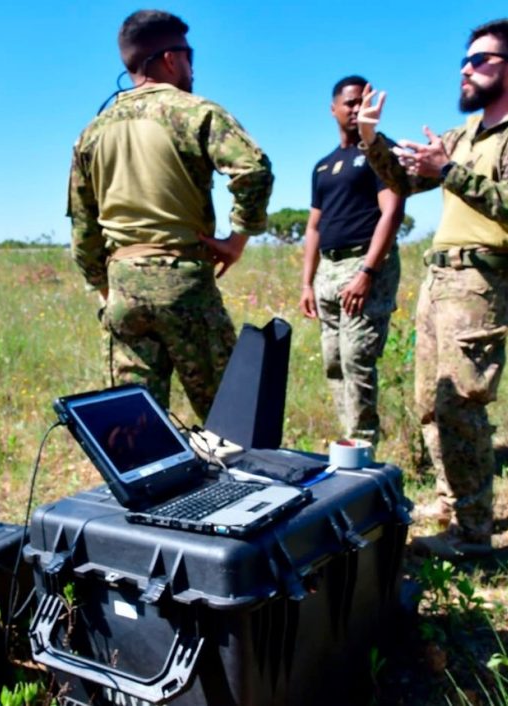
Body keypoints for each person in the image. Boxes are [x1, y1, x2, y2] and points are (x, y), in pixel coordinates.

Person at [357, 19, 508, 558]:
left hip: (479, 282)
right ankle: (450, 502)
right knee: (431, 401)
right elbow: (402, 182)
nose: (465, 70)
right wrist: (371, 140)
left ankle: (473, 533)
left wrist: (449, 171)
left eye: (479, 60)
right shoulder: (464, 135)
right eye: (464, 61)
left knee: (461, 405)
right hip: (440, 278)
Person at [67, 9, 273, 420]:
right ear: (169, 59)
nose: (192, 67)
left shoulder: (91, 133)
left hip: (123, 286)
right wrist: (237, 241)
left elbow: (83, 223)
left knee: (137, 425)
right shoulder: (193, 111)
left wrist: (104, 287)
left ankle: (149, 482)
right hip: (182, 280)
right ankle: (242, 485)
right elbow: (253, 169)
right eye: (189, 55)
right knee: (232, 419)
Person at [299, 75, 404, 446]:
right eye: (350, 103)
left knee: (356, 359)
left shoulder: (379, 153)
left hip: (363, 266)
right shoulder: (323, 166)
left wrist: (367, 273)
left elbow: (391, 213)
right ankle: (349, 438)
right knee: (333, 361)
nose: (357, 108)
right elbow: (314, 226)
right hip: (328, 269)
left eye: (363, 101)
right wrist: (307, 283)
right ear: (333, 109)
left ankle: (363, 447)